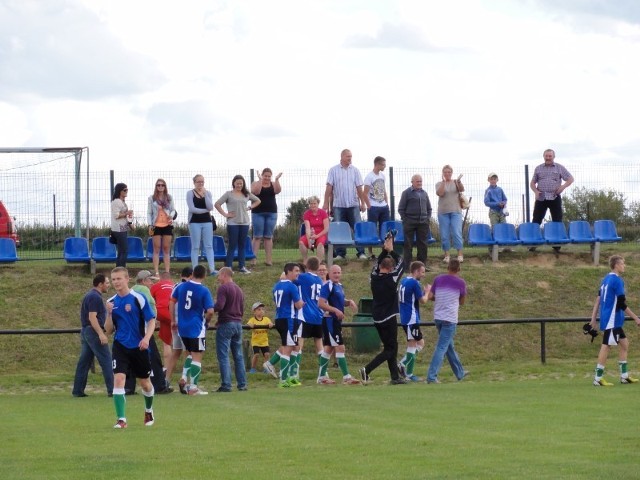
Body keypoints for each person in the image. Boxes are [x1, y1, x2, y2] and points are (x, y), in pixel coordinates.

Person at [105, 267, 156, 429]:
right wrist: (109, 314)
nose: (116, 282)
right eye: (113, 280)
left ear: (127, 279)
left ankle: (148, 410)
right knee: (119, 379)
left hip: (139, 346)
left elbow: (151, 320)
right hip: (120, 345)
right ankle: (121, 419)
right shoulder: (111, 302)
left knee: (145, 384)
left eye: (119, 279)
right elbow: (108, 330)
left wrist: (147, 339)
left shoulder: (138, 298)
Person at [359, 234, 406, 385]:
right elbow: (403, 263)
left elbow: (377, 264)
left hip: (377, 316)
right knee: (391, 349)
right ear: (391, 267)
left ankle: (395, 377)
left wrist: (385, 250)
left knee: (390, 346)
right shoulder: (392, 277)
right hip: (388, 316)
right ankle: (367, 369)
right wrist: (391, 250)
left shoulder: (374, 276)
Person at [589, 255, 640, 386]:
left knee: (624, 345)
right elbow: (621, 304)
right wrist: (636, 318)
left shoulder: (605, 279)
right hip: (612, 319)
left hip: (610, 319)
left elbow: (598, 300)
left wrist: (593, 318)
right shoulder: (617, 281)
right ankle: (598, 378)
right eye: (622, 263)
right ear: (616, 265)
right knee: (606, 346)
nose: (624, 266)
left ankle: (624, 376)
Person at [170, 265, 214, 395]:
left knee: (189, 353)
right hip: (196, 327)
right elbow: (210, 311)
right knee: (197, 357)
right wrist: (207, 321)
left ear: (193, 273)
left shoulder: (180, 286)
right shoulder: (204, 290)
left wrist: (173, 319)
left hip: (182, 327)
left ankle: (184, 377)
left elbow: (171, 301)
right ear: (204, 276)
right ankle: (193, 387)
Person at [318, 264, 361, 385]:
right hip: (330, 320)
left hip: (336, 321)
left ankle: (322, 378)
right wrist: (335, 310)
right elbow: (320, 303)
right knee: (340, 347)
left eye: (338, 272)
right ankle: (347, 377)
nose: (337, 275)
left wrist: (349, 302)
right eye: (334, 273)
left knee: (329, 349)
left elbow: (339, 301)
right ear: (329, 274)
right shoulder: (327, 286)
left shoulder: (339, 286)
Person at [264, 263, 305, 387]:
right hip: (288, 319)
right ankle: (283, 379)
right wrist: (303, 303)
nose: (298, 273)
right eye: (296, 271)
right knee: (287, 348)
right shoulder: (292, 286)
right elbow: (298, 305)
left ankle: (291, 377)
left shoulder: (276, 286)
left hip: (280, 318)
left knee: (294, 347)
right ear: (288, 272)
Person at [72, 274, 114, 398]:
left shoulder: (89, 295)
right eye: (106, 283)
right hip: (93, 331)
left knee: (84, 362)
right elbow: (92, 317)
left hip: (86, 331)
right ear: (100, 284)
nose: (108, 285)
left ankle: (78, 390)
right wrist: (101, 334)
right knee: (106, 360)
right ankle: (113, 390)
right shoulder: (95, 297)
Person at [426, 258, 467, 384]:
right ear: (458, 269)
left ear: (447, 267)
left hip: (438, 317)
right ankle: (431, 377)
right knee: (442, 347)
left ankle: (460, 372)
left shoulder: (438, 279)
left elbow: (431, 297)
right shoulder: (461, 283)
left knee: (449, 346)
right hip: (450, 318)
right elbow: (462, 301)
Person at [322, 148, 368, 260]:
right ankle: (340, 254)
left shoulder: (355, 171)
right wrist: (325, 203)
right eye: (348, 156)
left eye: (351, 157)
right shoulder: (333, 170)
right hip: (338, 205)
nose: (350, 159)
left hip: (353, 205)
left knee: (357, 228)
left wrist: (362, 203)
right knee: (339, 230)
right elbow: (329, 187)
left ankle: (361, 252)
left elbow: (359, 188)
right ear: (342, 157)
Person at [131, 270, 171, 394]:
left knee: (130, 358)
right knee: (153, 358)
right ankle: (159, 385)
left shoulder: (132, 290)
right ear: (143, 281)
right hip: (143, 329)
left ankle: (127, 387)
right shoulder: (144, 290)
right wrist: (154, 318)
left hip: (132, 329)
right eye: (150, 280)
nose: (151, 284)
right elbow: (151, 305)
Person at [215, 175, 261, 274]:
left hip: (245, 222)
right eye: (237, 183)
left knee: (242, 245)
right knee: (232, 245)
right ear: (234, 183)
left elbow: (258, 200)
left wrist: (250, 207)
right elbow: (217, 204)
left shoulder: (246, 193)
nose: (239, 185)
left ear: (243, 184)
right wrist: (225, 214)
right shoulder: (228, 194)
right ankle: (229, 267)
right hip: (232, 223)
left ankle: (242, 266)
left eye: (241, 183)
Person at [293, 257, 327, 384]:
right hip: (318, 316)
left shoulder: (302, 277)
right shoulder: (319, 280)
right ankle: (323, 373)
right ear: (318, 267)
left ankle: (295, 373)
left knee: (299, 345)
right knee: (320, 346)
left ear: (307, 265)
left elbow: (288, 278)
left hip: (305, 315)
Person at [213, 267, 247, 392]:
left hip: (226, 323)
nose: (218, 278)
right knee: (238, 355)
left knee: (223, 355)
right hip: (238, 323)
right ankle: (242, 384)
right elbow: (242, 308)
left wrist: (210, 307)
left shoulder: (223, 288)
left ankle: (226, 384)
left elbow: (220, 305)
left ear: (224, 275)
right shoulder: (238, 289)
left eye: (219, 275)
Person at [397, 261, 430, 382]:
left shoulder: (404, 281)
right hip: (411, 318)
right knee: (418, 344)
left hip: (405, 317)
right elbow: (423, 301)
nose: (423, 275)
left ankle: (408, 373)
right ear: (416, 271)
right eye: (422, 272)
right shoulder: (414, 283)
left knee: (414, 344)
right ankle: (403, 366)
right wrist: (427, 292)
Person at [166, 267, 193, 394]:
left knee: (176, 352)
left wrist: (172, 320)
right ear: (190, 275)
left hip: (175, 323)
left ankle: (166, 380)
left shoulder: (175, 286)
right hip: (184, 323)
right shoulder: (188, 287)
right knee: (188, 353)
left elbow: (170, 304)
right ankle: (184, 381)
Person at [530, 149, 574, 224]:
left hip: (554, 197)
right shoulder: (538, 168)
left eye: (550, 156)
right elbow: (532, 183)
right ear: (543, 156)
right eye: (546, 156)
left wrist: (562, 187)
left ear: (553, 157)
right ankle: (534, 235)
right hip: (541, 197)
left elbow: (570, 179)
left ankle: (557, 235)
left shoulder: (559, 167)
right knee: (536, 221)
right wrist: (536, 191)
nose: (548, 158)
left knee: (557, 221)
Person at [398, 174, 432, 267]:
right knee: (408, 245)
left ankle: (421, 266)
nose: (419, 183)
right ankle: (407, 266)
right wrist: (405, 220)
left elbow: (429, 208)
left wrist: (427, 219)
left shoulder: (425, 193)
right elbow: (401, 209)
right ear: (412, 182)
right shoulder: (406, 193)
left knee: (423, 245)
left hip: (423, 223)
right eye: (417, 181)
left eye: (421, 181)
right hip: (409, 223)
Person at [251, 168, 282, 267]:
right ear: (262, 175)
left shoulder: (273, 184)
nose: (267, 178)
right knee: (257, 236)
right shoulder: (255, 183)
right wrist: (260, 180)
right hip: (257, 212)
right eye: (265, 176)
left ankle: (268, 260)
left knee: (268, 237)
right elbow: (256, 192)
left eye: (269, 176)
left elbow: (278, 191)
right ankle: (253, 259)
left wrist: (277, 180)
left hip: (271, 213)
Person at [187, 174, 217, 275]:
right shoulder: (190, 193)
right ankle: (195, 270)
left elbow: (210, 206)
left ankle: (212, 269)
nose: (200, 183)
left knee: (209, 245)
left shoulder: (207, 193)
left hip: (207, 222)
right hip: (194, 222)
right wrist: (205, 210)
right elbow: (192, 209)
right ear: (194, 182)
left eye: (202, 182)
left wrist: (205, 195)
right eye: (198, 182)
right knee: (195, 246)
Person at [435, 165, 465, 263]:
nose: (447, 174)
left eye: (449, 172)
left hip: (456, 211)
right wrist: (444, 183)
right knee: (444, 234)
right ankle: (447, 255)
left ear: (451, 173)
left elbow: (461, 189)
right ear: (442, 173)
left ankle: (460, 255)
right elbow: (440, 193)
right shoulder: (439, 183)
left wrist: (459, 182)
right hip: (443, 212)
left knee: (456, 232)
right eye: (445, 172)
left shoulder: (456, 182)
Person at [147, 178, 176, 276]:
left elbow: (173, 210)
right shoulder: (152, 198)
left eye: (162, 185)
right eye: (158, 185)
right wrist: (150, 225)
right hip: (156, 225)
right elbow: (149, 213)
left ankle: (167, 272)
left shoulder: (169, 197)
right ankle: (156, 272)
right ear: (156, 187)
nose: (160, 187)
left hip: (167, 224)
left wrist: (171, 215)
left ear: (165, 186)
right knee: (156, 248)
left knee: (166, 248)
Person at [363, 156, 390, 260]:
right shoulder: (369, 177)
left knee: (385, 229)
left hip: (383, 206)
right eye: (383, 164)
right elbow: (364, 193)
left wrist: (387, 203)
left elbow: (384, 190)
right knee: (372, 229)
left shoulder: (383, 176)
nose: (384, 166)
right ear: (377, 164)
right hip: (373, 206)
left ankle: (385, 252)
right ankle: (370, 253)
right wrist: (369, 206)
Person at [150, 272, 174, 384]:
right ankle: (168, 369)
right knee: (172, 343)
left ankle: (165, 368)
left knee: (166, 342)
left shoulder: (156, 286)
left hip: (160, 311)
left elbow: (149, 300)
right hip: (172, 313)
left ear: (160, 279)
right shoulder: (174, 285)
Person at [299, 196, 330, 263]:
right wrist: (309, 241)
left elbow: (326, 228)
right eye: (311, 203)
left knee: (320, 244)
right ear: (309, 204)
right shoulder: (306, 214)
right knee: (301, 242)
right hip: (310, 234)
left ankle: (319, 263)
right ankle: (305, 261)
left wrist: (317, 236)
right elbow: (307, 228)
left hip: (321, 234)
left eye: (314, 203)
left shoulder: (323, 213)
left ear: (318, 204)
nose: (313, 205)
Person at [246, 301, 274, 373]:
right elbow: (249, 323)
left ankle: (265, 368)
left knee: (267, 354)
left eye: (262, 309)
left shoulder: (266, 319)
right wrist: (250, 325)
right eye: (259, 310)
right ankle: (253, 368)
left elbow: (270, 323)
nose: (261, 311)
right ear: (254, 312)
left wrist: (270, 324)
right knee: (256, 355)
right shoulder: (252, 319)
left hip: (264, 341)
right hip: (256, 342)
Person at [110, 183, 133, 267]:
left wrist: (130, 224)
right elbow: (116, 215)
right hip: (118, 229)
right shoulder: (117, 202)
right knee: (124, 251)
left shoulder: (123, 202)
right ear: (119, 191)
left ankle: (119, 269)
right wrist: (127, 213)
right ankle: (121, 270)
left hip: (122, 228)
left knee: (121, 251)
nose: (126, 191)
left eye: (127, 190)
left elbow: (125, 216)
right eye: (124, 190)